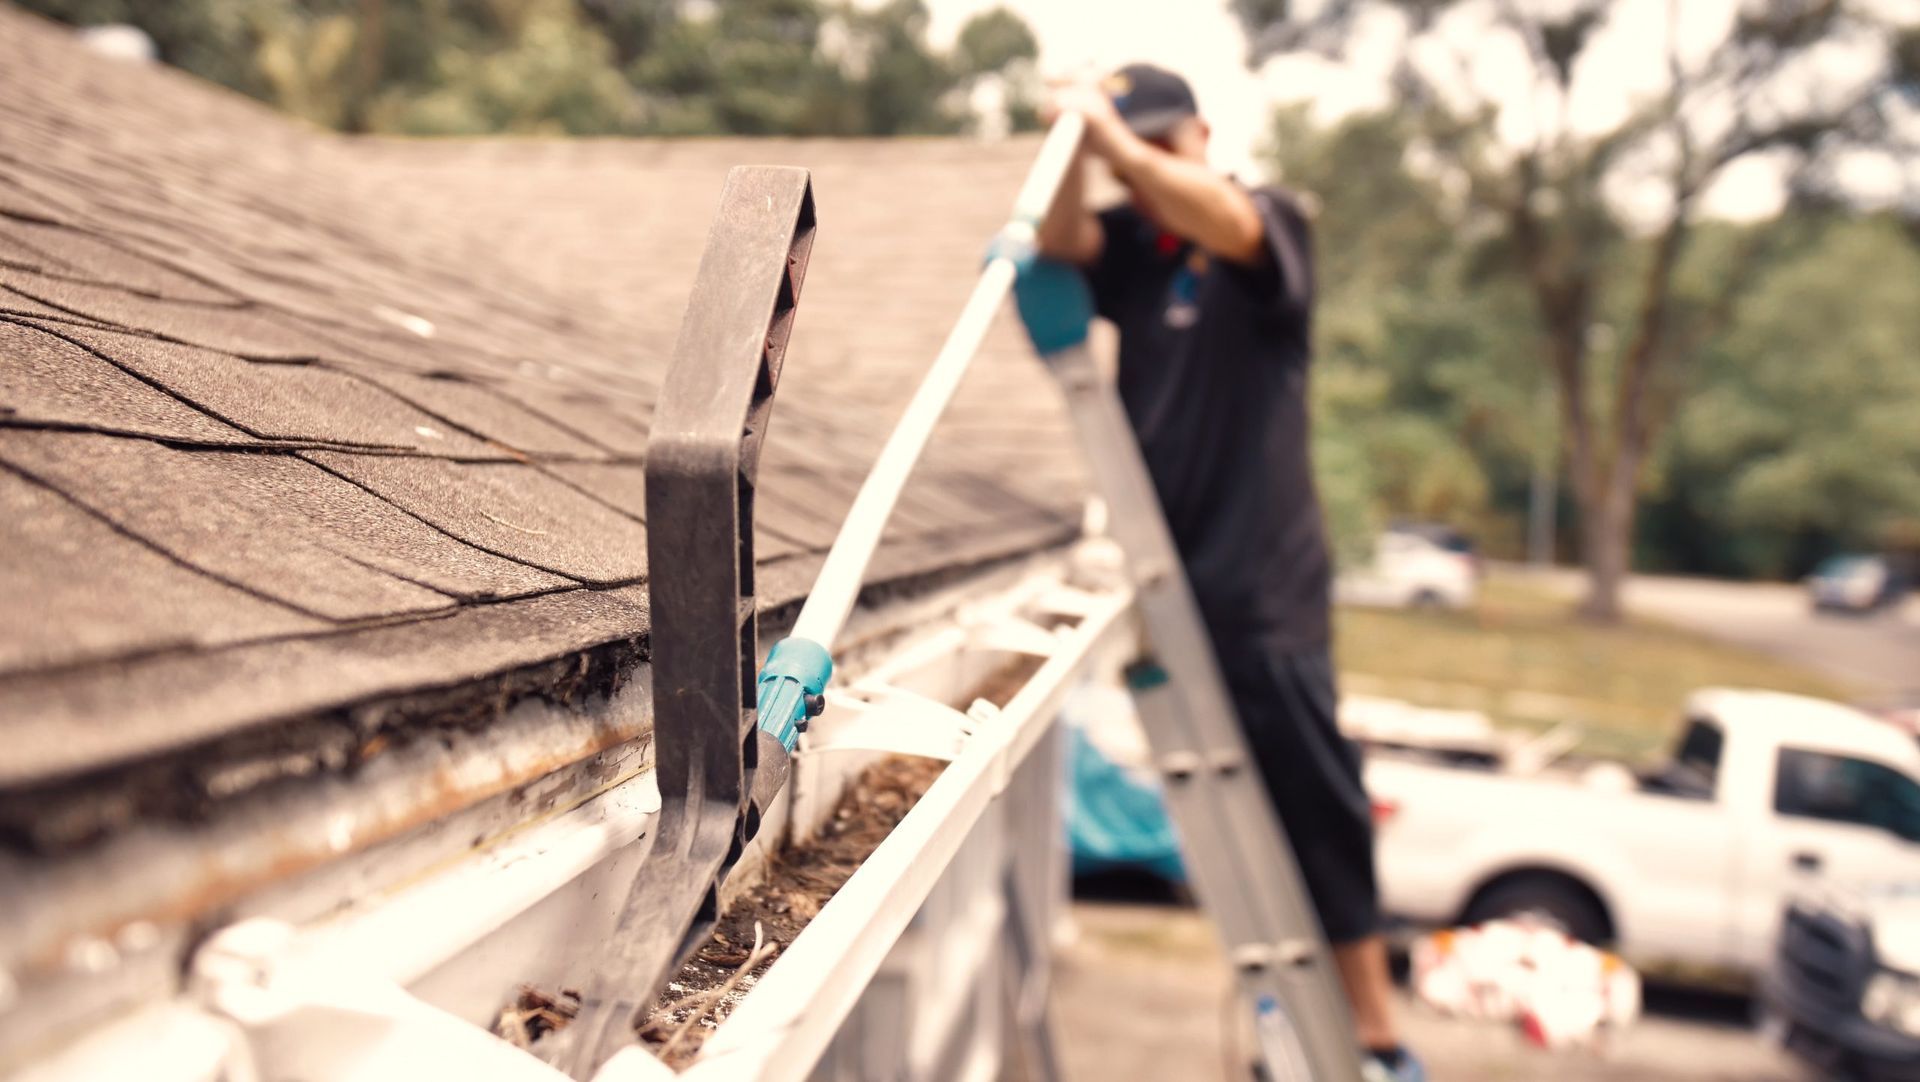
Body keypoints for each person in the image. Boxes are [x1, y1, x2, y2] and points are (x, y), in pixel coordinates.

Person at [1030, 64, 1422, 1082]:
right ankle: (1286, 1032)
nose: (1151, 162)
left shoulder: (1268, 221)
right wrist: (1075, 150)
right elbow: (1060, 240)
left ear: (1204, 135)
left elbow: (1233, 223)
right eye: (1138, 146)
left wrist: (1115, 144)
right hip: (1176, 580)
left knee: (1318, 803)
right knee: (1240, 823)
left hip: (1263, 588)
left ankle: (1377, 1040)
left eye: (1167, 143)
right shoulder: (1136, 251)